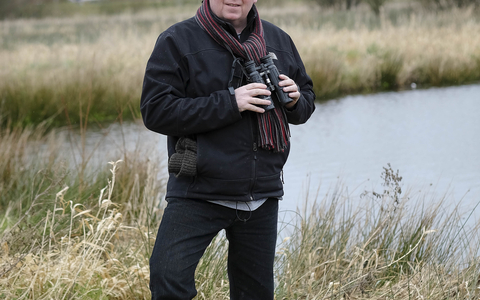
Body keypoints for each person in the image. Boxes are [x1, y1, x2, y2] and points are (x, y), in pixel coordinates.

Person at [140, 0, 316, 299]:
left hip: (261, 195)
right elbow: (156, 111)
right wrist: (230, 102)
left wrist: (295, 100)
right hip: (198, 190)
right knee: (167, 277)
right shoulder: (177, 40)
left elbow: (305, 103)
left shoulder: (279, 40)